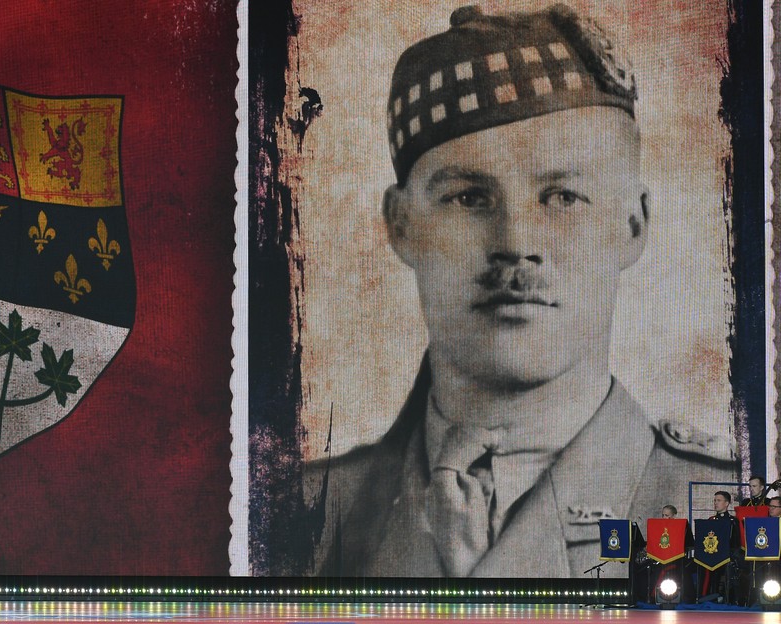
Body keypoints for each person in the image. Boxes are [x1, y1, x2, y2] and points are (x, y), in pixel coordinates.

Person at [303, 3, 735, 578]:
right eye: (469, 198)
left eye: (562, 197)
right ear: (402, 226)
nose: (516, 243)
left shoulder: (727, 516)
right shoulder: (295, 518)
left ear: (632, 226)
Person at [700, 491, 740, 602]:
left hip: (727, 556)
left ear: (726, 503)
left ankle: (728, 598)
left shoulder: (733, 521)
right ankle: (706, 596)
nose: (715, 503)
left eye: (719, 500)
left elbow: (736, 542)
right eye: (714, 500)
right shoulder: (711, 520)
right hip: (711, 555)